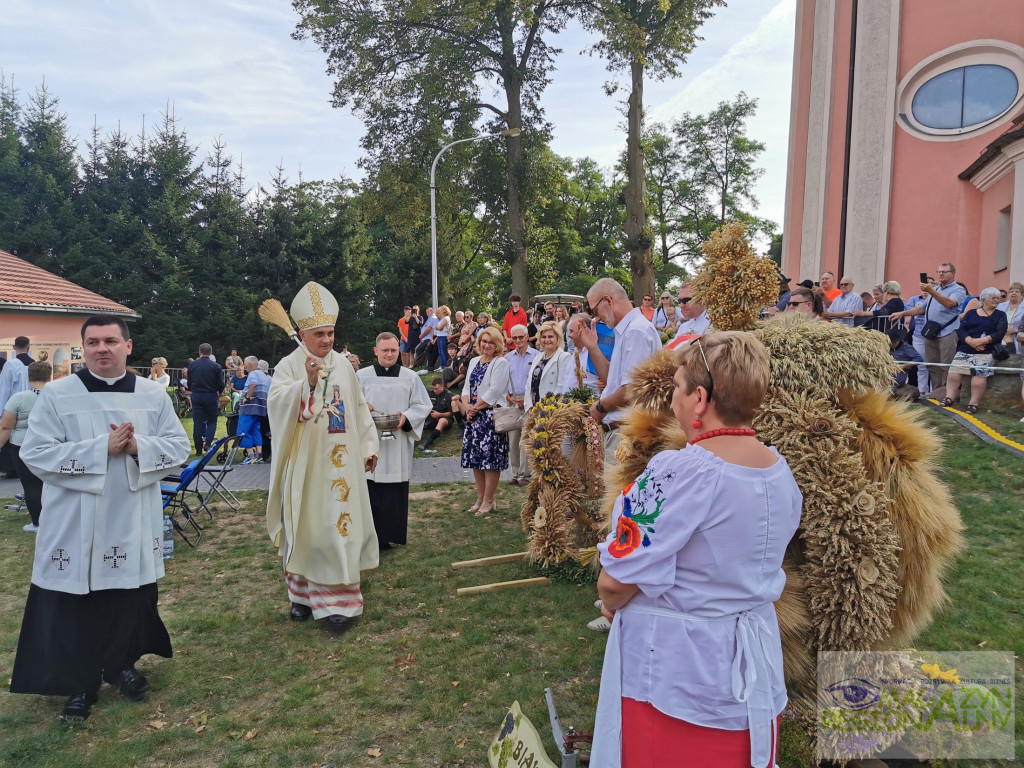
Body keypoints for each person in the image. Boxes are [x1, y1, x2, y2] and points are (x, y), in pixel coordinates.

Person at [591, 332, 801, 768]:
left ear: (700, 397)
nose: (672, 402)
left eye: (677, 388)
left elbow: (616, 580)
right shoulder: (779, 471)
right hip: (752, 662)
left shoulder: (680, 472)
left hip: (676, 672)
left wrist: (611, 599)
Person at [10, 314, 191, 722]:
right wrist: (100, 448)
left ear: (128, 346)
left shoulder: (152, 394)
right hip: (75, 519)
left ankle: (122, 665)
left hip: (131, 515)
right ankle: (80, 682)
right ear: (83, 349)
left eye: (110, 341)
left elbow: (178, 447)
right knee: (78, 601)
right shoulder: (57, 394)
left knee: (128, 598)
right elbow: (34, 453)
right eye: (92, 342)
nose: (101, 349)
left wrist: (134, 447)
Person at [266, 282, 379, 631]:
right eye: (319, 334)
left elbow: (358, 407)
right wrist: (308, 385)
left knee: (338, 528)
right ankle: (301, 597)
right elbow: (278, 405)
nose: (327, 340)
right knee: (309, 528)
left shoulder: (344, 365)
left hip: (343, 462)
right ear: (303, 333)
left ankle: (338, 606)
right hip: (308, 465)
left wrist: (369, 445)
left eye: (330, 333)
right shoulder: (289, 365)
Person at [356, 332, 431, 551]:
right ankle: (372, 536)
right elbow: (349, 404)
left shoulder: (410, 377)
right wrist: (363, 407)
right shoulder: (361, 376)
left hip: (397, 443)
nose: (389, 354)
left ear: (399, 351)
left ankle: (390, 534)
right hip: (371, 443)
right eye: (385, 350)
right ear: (375, 351)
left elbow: (422, 406)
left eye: (393, 350)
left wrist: (406, 417)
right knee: (371, 487)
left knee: (394, 491)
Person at [579, 278, 662, 465]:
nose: (597, 318)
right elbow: (612, 380)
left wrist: (600, 407)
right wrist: (593, 347)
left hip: (625, 433)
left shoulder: (636, 331)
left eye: (595, 310)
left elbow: (631, 389)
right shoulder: (628, 330)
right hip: (621, 432)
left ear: (608, 300)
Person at [890, 263, 966, 393]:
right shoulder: (936, 290)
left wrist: (931, 291)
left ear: (952, 274)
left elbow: (949, 303)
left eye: (944, 271)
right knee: (932, 365)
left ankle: (947, 394)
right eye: (939, 271)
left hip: (947, 333)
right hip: (931, 333)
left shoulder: (958, 290)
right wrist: (903, 313)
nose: (940, 274)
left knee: (945, 365)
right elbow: (921, 308)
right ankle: (936, 393)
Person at [461, 326, 511, 516]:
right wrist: (467, 406)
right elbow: (466, 388)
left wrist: (476, 406)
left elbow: (495, 391)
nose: (487, 345)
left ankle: (489, 500)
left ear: (497, 344)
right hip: (473, 417)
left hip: (490, 417)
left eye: (491, 342)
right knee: (476, 460)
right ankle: (480, 498)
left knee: (490, 461)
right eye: (484, 341)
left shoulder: (500, 363)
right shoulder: (474, 361)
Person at [0, 361, 52, 532]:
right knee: (51, 483)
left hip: (22, 445)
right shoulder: (56, 395)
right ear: (49, 376)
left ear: (29, 377)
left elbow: (6, 426)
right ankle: (54, 519)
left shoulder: (19, 398)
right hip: (52, 443)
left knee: (30, 484)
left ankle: (37, 523)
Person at [940, 287, 1007, 415]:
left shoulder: (1000, 315)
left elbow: (1000, 332)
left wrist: (981, 341)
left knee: (979, 375)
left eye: (998, 298)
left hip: (986, 349)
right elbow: (961, 329)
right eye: (993, 298)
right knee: (954, 372)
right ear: (983, 299)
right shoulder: (971, 313)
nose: (997, 301)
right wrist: (970, 341)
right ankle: (949, 397)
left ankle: (973, 403)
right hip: (966, 347)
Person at [505, 324, 539, 486]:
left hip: (529, 401)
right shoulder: (508, 358)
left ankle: (524, 474)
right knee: (512, 439)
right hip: (511, 400)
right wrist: (508, 397)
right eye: (515, 337)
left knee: (525, 438)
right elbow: (503, 380)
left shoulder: (537, 356)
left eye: (521, 337)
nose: (518, 340)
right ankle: (515, 472)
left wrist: (528, 400)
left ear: (527, 337)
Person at [0, 335, 32, 478]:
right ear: (29, 347)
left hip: (13, 405)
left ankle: (11, 468)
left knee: (10, 436)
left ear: (14, 347)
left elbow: (4, 388)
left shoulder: (11, 364)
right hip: (31, 404)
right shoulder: (34, 364)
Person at [187, 343, 224, 455]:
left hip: (197, 395)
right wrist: (220, 392)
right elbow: (221, 383)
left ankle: (198, 449)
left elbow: (189, 383)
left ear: (199, 352)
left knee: (197, 422)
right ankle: (208, 443)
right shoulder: (216, 366)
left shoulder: (192, 365)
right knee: (212, 420)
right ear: (211, 353)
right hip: (211, 395)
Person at [238, 356, 272, 464]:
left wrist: (246, 398)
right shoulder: (264, 376)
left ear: (250, 365)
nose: (244, 366)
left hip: (249, 407)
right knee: (256, 431)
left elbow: (253, 385)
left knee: (243, 431)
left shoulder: (253, 374)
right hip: (260, 408)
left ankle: (250, 457)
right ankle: (259, 456)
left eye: (245, 364)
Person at [562, 315, 601, 395]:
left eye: (571, 331)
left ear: (582, 330)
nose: (569, 335)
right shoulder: (574, 354)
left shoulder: (595, 355)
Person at [887, 327, 924, 400]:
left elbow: (919, 359)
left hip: (896, 382)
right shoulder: (887, 348)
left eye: (890, 344)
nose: (889, 346)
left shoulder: (906, 348)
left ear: (897, 342)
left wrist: (904, 366)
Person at [420, 377, 454, 453]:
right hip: (432, 418)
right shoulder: (430, 393)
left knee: (441, 421)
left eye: (437, 389)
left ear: (442, 386)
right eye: (433, 389)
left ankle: (427, 443)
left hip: (445, 418)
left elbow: (451, 413)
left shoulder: (449, 395)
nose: (435, 391)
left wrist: (439, 415)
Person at [997, 282, 1024, 346]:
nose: (1014, 293)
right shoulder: (1000, 306)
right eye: (1011, 291)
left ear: (1022, 294)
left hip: (1018, 340)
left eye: (1017, 291)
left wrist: (1016, 330)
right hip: (1001, 339)